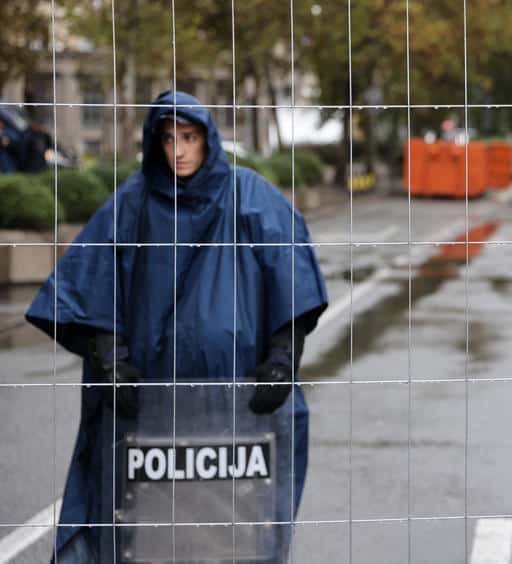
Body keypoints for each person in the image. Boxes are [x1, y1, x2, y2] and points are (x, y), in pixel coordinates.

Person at [25, 90, 328, 563]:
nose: (179, 151)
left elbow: (290, 274)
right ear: (155, 142)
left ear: (209, 138)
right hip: (150, 401)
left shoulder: (252, 198)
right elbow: (94, 279)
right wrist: (111, 358)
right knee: (145, 525)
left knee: (235, 522)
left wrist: (283, 357)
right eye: (168, 139)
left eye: (189, 137)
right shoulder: (134, 202)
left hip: (237, 400)